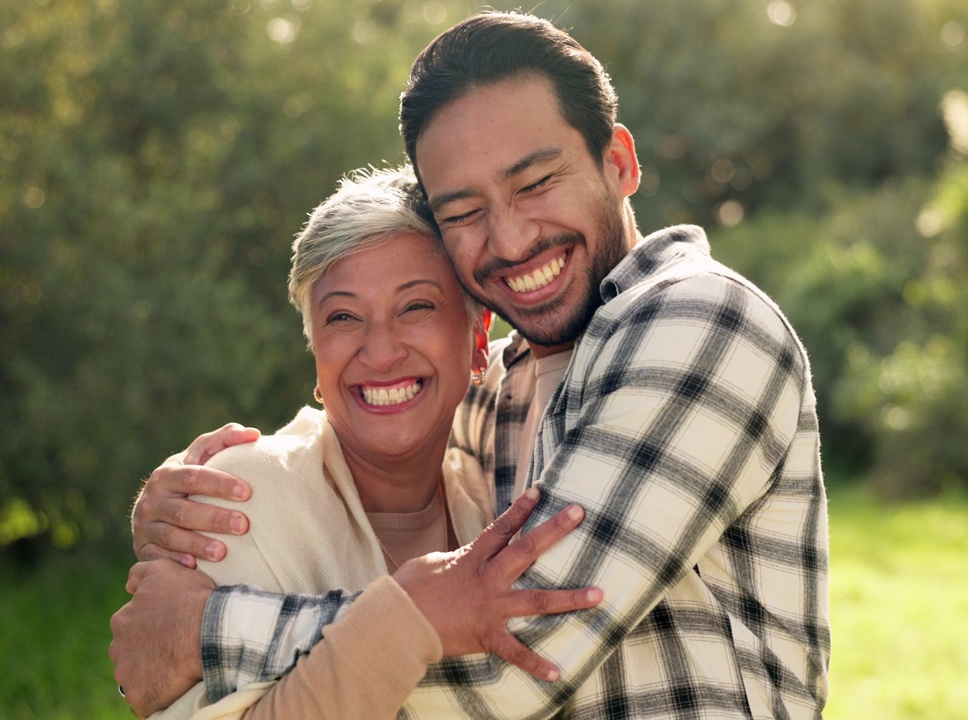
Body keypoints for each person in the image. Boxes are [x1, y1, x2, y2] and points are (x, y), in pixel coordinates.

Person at [123, 10, 830, 719]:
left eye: (536, 182)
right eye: (462, 211)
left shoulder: (695, 322)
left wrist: (209, 629)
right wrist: (186, 496)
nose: (512, 238)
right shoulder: (496, 395)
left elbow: (518, 656)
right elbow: (380, 413)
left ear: (619, 162)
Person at [112, 166, 602, 719]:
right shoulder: (237, 498)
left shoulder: (489, 502)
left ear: (476, 340)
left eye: (416, 306)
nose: (380, 351)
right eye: (343, 317)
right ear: (316, 355)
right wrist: (410, 618)